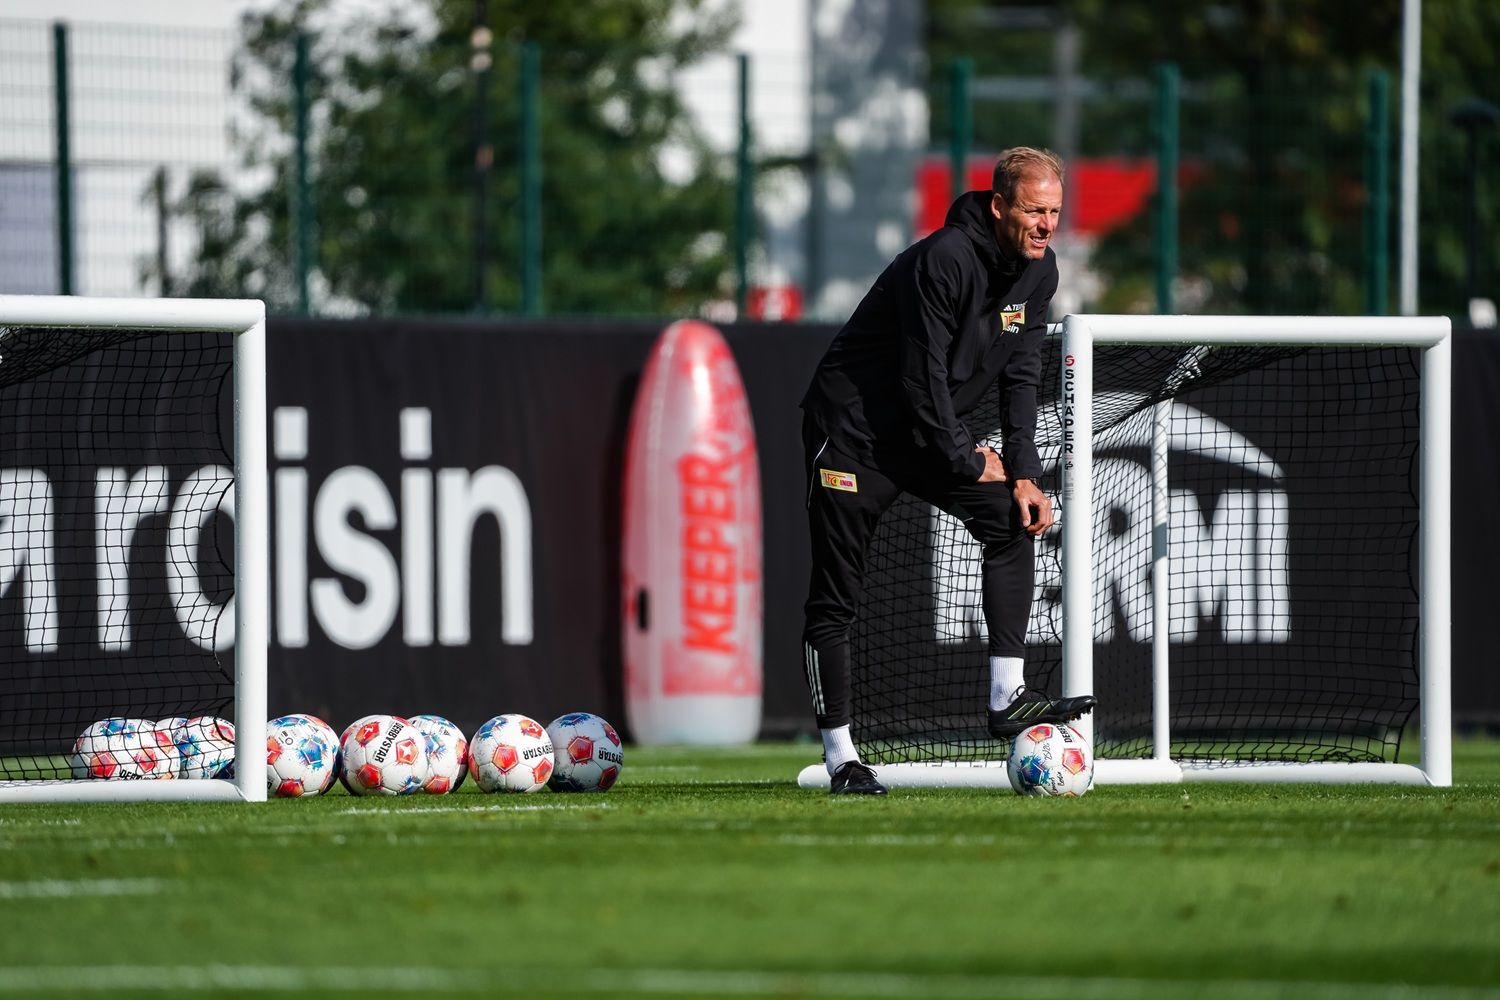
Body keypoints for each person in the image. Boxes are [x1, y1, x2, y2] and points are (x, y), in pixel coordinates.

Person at [799, 147, 1097, 795]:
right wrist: (967, 458)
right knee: (836, 598)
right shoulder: (943, 260)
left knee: (1010, 520)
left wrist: (1023, 472)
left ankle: (1006, 698)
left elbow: (1021, 377)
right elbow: (920, 378)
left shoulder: (1039, 275)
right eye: (1033, 211)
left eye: (1054, 212)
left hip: (926, 437)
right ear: (998, 207)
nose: (1046, 224)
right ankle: (841, 758)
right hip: (852, 436)